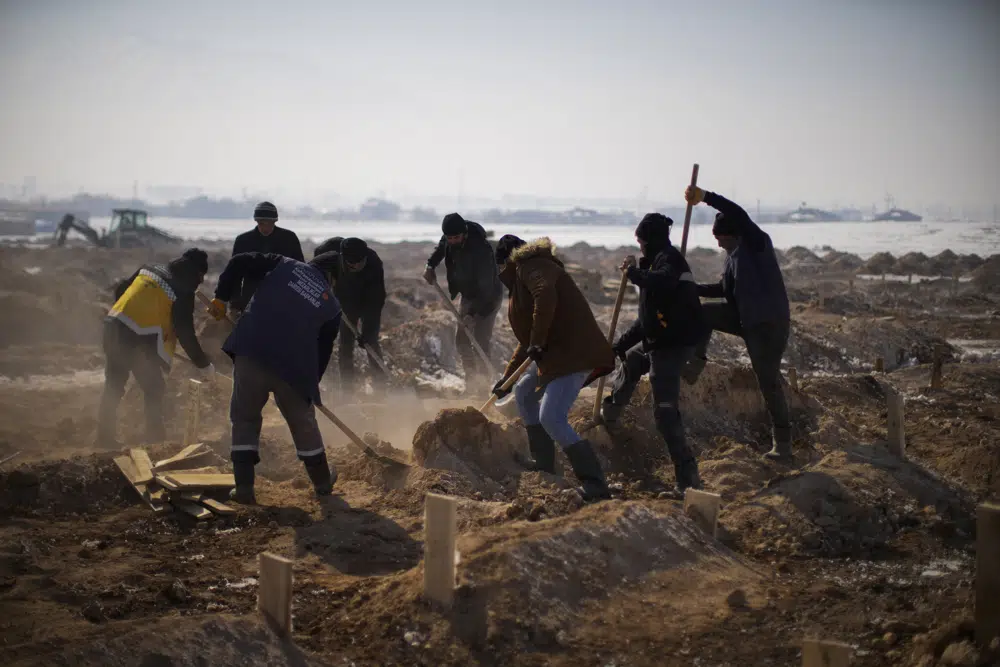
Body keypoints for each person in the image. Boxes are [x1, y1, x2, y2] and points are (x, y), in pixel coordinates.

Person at [207, 251, 343, 504]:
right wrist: (311, 388)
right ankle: (323, 483)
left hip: (251, 352)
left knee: (245, 418)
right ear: (332, 278)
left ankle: (244, 488)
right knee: (303, 423)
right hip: (293, 368)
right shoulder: (332, 307)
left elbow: (238, 261)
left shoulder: (283, 263)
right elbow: (322, 352)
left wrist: (221, 297)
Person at [490, 235, 616, 502]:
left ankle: (595, 485)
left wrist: (537, 342)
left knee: (552, 417)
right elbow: (527, 342)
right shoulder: (525, 273)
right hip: (558, 357)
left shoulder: (532, 267)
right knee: (523, 390)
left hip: (575, 355)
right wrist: (506, 381)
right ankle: (544, 461)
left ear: (504, 262)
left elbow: (545, 296)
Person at [682, 185, 793, 461]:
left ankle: (783, 444)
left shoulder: (756, 243)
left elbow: (736, 212)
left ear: (732, 233)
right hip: (744, 320)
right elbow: (723, 289)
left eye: (719, 237)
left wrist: (705, 197)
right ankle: (694, 363)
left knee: (768, 381)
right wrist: (690, 288)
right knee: (703, 312)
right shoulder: (732, 259)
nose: (717, 243)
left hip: (769, 325)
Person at [599, 213, 706, 495]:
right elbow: (646, 320)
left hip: (675, 344)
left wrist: (633, 273)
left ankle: (688, 479)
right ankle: (610, 415)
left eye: (642, 241)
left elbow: (663, 282)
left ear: (651, 240)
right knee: (632, 360)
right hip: (658, 339)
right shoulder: (654, 267)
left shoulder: (670, 261)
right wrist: (619, 345)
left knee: (665, 412)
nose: (640, 246)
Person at [97, 249, 215, 446]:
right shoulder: (182, 291)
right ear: (197, 273)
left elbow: (121, 291)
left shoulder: (149, 269)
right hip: (136, 340)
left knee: (114, 385)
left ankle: (104, 438)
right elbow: (185, 332)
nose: (201, 282)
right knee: (154, 388)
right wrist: (203, 364)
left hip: (113, 327)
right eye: (202, 276)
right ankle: (155, 439)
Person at [422, 213, 503, 390]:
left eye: (456, 238)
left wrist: (472, 315)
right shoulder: (449, 237)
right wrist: (430, 266)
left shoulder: (481, 249)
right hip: (468, 295)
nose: (452, 241)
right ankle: (472, 383)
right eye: (449, 238)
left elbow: (486, 288)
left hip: (488, 297)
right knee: (463, 341)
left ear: (464, 233)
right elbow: (440, 249)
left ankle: (483, 387)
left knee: (480, 340)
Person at [313, 237, 388, 392]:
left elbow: (377, 297)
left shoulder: (374, 263)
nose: (356, 266)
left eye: (360, 263)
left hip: (369, 301)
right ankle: (348, 390)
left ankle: (381, 388)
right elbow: (314, 267)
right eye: (351, 264)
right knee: (345, 345)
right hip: (344, 301)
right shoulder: (330, 254)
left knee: (371, 342)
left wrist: (368, 330)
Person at [228, 201, 304, 314]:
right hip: (251, 299)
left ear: (275, 221)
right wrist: (234, 303)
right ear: (256, 221)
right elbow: (234, 274)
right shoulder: (243, 241)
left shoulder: (289, 239)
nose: (265, 227)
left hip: (283, 298)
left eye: (269, 223)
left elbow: (301, 270)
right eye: (262, 223)